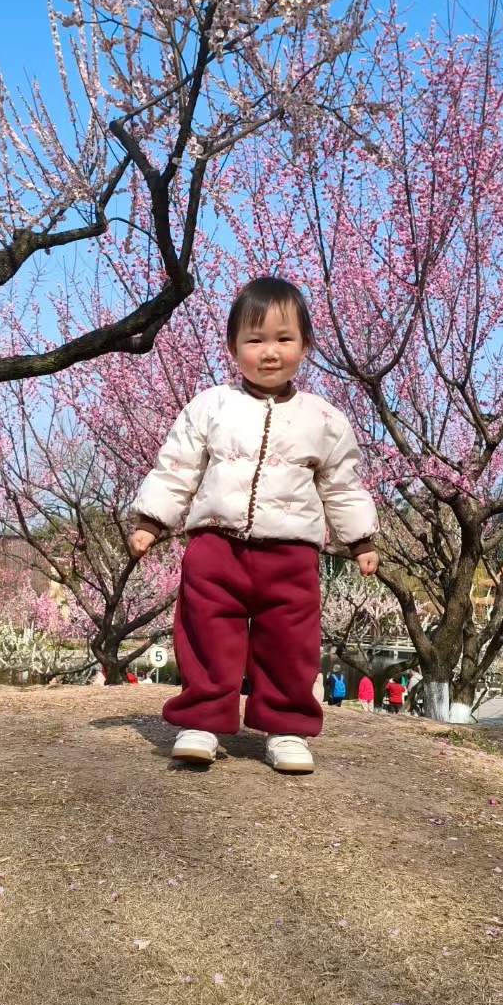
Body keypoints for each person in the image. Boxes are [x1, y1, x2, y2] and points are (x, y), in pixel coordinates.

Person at [128, 276, 378, 774]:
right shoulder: (211, 406)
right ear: (232, 346)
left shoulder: (323, 419)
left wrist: (360, 539)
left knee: (290, 643)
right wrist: (152, 520)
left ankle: (286, 729)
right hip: (215, 545)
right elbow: (177, 466)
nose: (269, 352)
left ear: (305, 344)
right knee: (206, 633)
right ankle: (201, 720)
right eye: (254, 339)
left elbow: (341, 485)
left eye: (284, 339)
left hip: (291, 555)